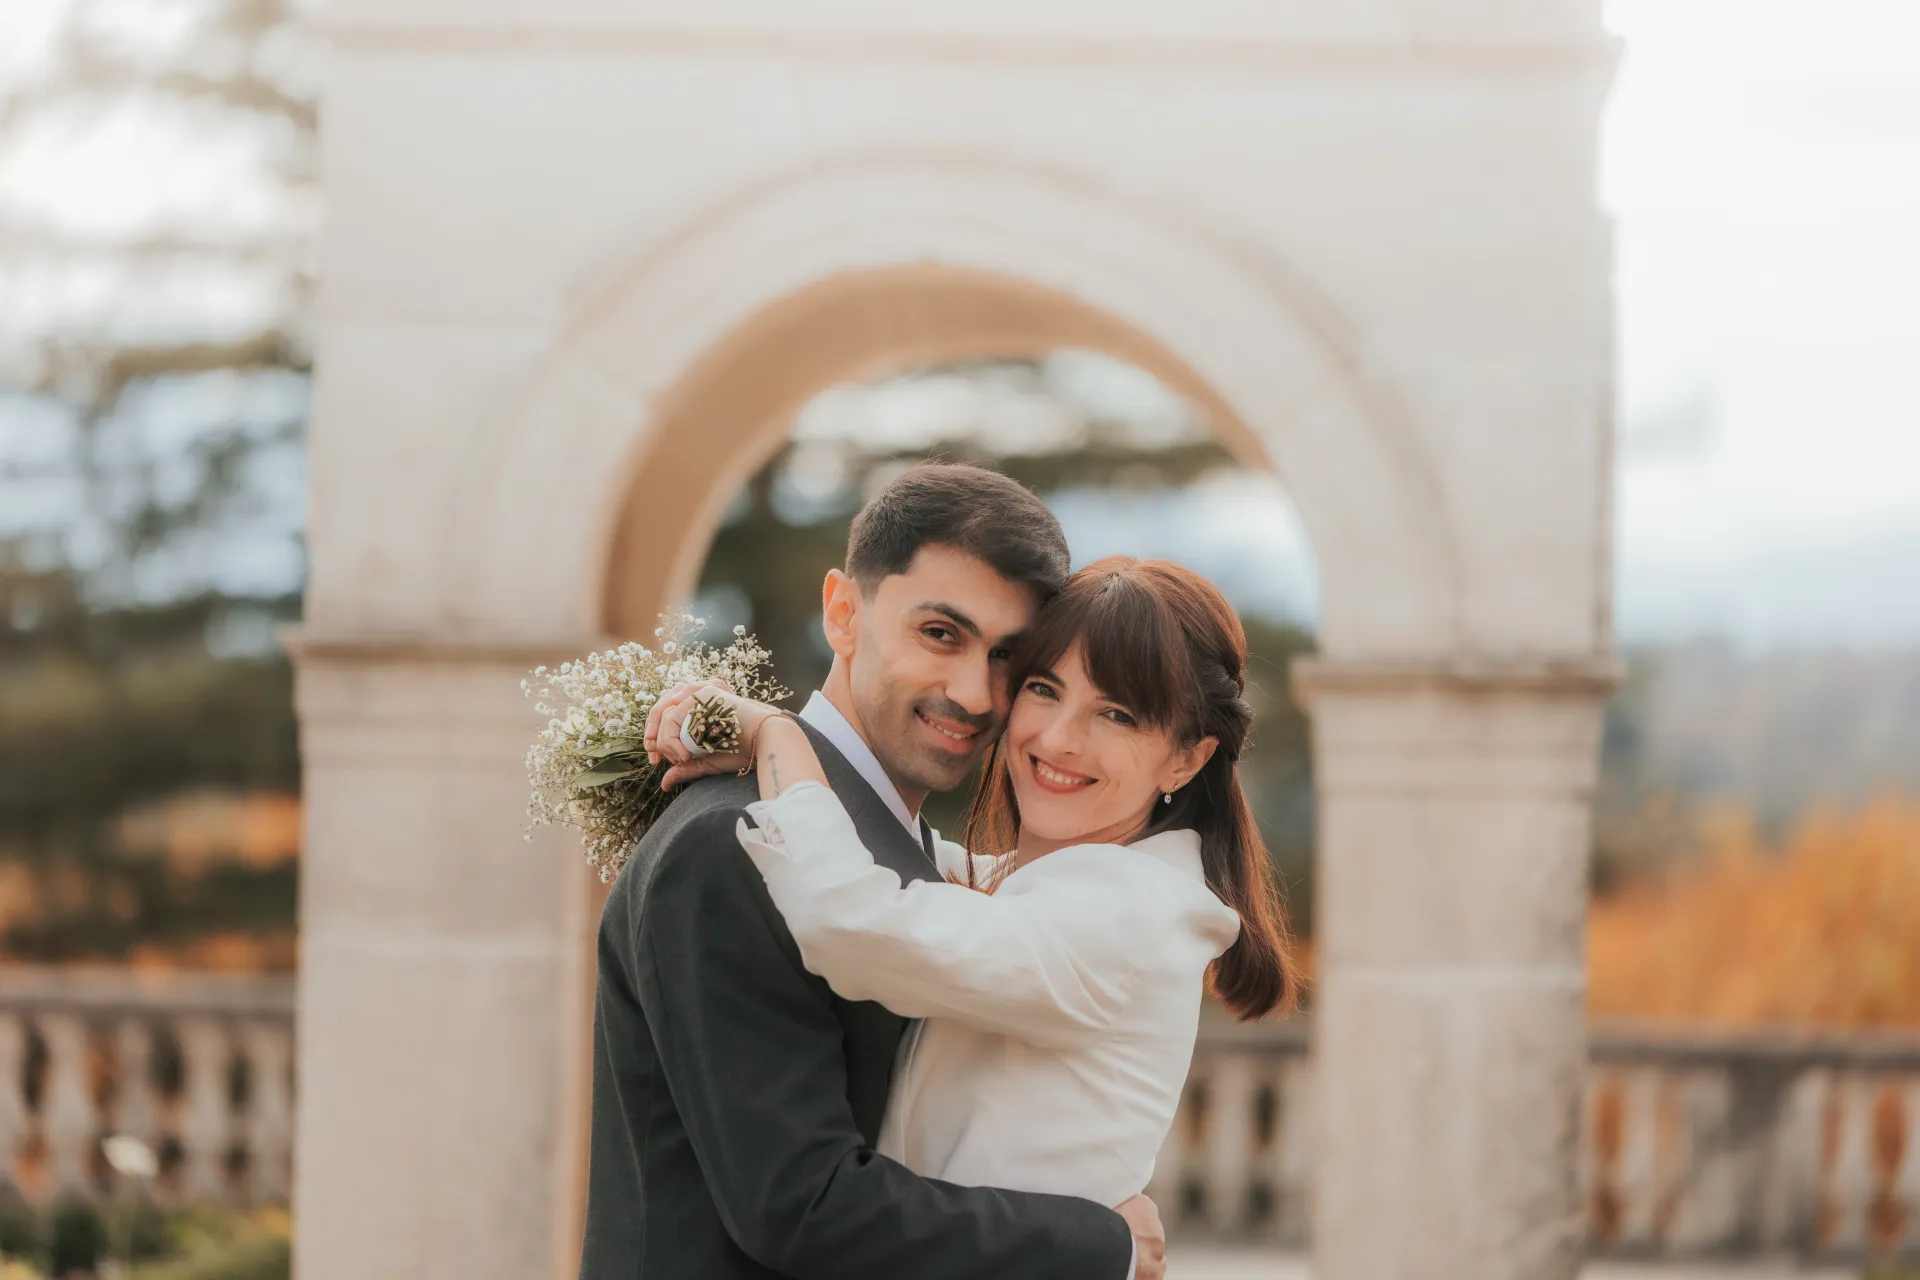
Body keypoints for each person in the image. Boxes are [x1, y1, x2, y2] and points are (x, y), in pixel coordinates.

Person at [579, 463, 1165, 1280]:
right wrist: (1099, 1245)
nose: (972, 692)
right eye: (940, 634)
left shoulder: (897, 852)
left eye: (1006, 658)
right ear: (843, 612)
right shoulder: (737, 841)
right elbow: (801, 1205)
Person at [649, 555, 1299, 1235]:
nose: (1057, 739)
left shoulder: (1128, 909)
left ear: (1186, 758)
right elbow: (927, 867)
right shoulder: (1064, 886)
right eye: (1045, 690)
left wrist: (777, 733)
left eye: (1117, 714)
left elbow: (852, 922)